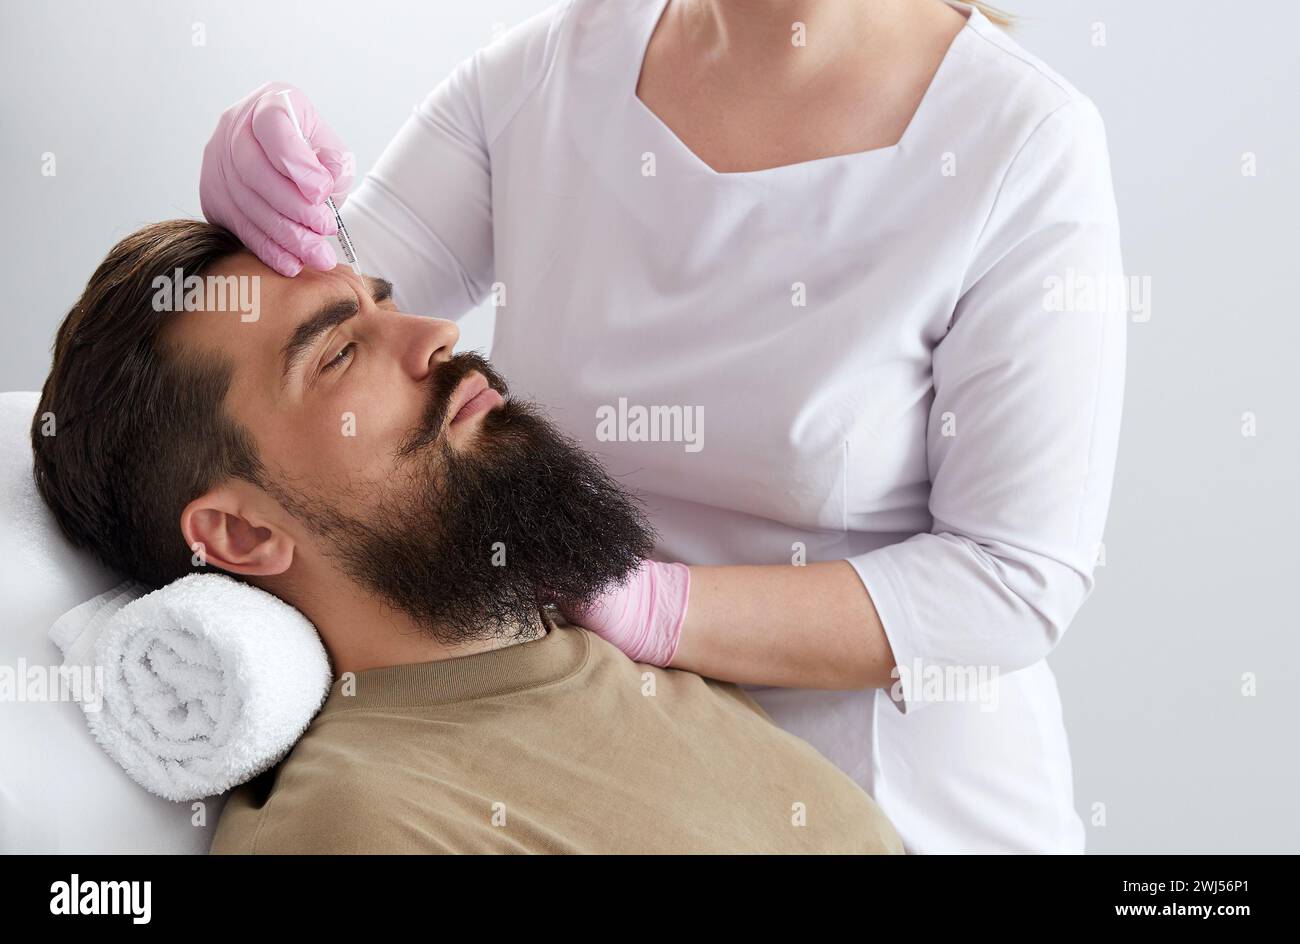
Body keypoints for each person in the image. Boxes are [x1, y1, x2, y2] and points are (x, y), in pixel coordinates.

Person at [200, 0, 1126, 852]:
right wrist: (261, 220)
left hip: (894, 802)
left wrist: (662, 608)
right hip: (605, 760)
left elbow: (1012, 578)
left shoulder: (1020, 143)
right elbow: (316, 331)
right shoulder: (547, 72)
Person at [30, 219, 903, 854]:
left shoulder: (617, 659)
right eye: (337, 353)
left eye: (383, 304)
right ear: (240, 532)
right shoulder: (365, 826)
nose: (437, 335)